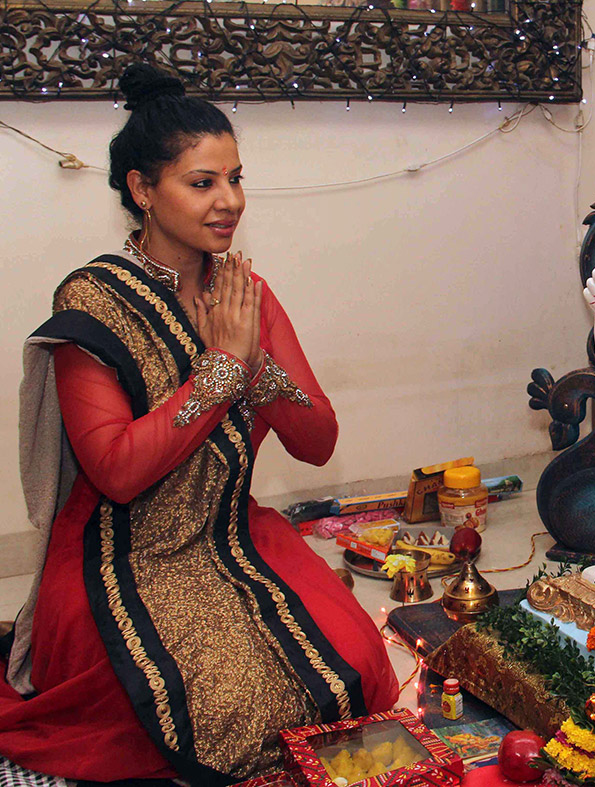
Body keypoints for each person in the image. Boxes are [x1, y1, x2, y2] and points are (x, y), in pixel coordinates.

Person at [0, 64, 397, 782]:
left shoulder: (243, 292)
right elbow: (116, 471)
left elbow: (319, 441)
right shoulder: (94, 303)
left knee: (356, 670)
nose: (229, 202)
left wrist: (256, 367)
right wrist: (218, 370)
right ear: (142, 190)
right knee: (204, 703)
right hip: (122, 554)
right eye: (203, 182)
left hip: (227, 534)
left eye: (236, 179)